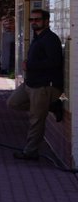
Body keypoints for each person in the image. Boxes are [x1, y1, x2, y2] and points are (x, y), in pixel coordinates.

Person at [8, 9, 65, 160]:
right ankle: (49, 105)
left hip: (44, 86)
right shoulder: (37, 38)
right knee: (13, 102)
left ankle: (30, 152)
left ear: (46, 21)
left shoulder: (50, 39)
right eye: (31, 20)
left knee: (36, 120)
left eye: (37, 20)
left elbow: (54, 62)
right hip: (31, 84)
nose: (34, 22)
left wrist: (31, 65)